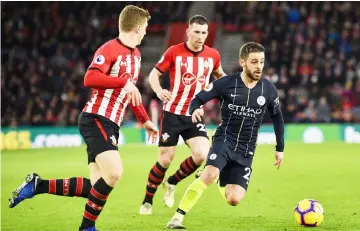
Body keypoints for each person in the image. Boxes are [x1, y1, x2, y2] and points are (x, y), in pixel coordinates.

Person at [8, 5, 158, 231]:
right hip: (96, 117)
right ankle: (86, 228)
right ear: (137, 27)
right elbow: (90, 77)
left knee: (96, 187)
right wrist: (122, 82)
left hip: (112, 123)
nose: (146, 31)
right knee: (114, 172)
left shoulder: (136, 55)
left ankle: (37, 185)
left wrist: (145, 119)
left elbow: (130, 92)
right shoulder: (109, 49)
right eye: (145, 27)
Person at [166, 42, 285, 229]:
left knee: (234, 199)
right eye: (254, 62)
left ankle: (215, 177)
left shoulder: (268, 89)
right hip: (224, 140)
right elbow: (198, 98)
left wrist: (280, 148)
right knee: (210, 174)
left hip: (246, 149)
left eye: (261, 62)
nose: (259, 66)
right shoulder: (226, 83)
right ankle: (177, 218)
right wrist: (195, 108)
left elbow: (278, 117)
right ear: (243, 62)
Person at [139, 15, 226, 215]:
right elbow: (154, 74)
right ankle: (147, 201)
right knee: (165, 159)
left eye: (204, 32)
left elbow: (221, 76)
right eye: (196, 32)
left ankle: (171, 182)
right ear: (188, 31)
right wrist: (159, 90)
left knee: (202, 154)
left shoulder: (213, 55)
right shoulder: (174, 52)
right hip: (172, 113)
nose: (200, 36)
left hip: (194, 114)